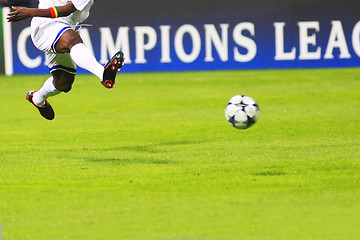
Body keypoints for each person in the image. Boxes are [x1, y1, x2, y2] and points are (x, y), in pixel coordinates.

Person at [7, 0, 124, 120]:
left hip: (63, 25)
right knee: (72, 39)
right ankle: (103, 74)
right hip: (44, 26)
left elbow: (67, 10)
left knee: (63, 83)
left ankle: (37, 98)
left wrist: (30, 12)